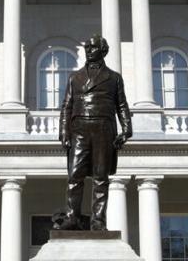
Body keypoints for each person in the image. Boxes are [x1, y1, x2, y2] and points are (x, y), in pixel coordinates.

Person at [54, 35, 133, 230]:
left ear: (103, 50)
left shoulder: (114, 78)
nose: (89, 50)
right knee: (74, 175)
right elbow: (66, 106)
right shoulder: (75, 77)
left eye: (93, 47)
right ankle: (72, 217)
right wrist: (63, 132)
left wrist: (127, 129)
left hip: (103, 130)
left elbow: (121, 105)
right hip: (79, 130)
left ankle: (98, 221)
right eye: (87, 47)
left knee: (101, 177)